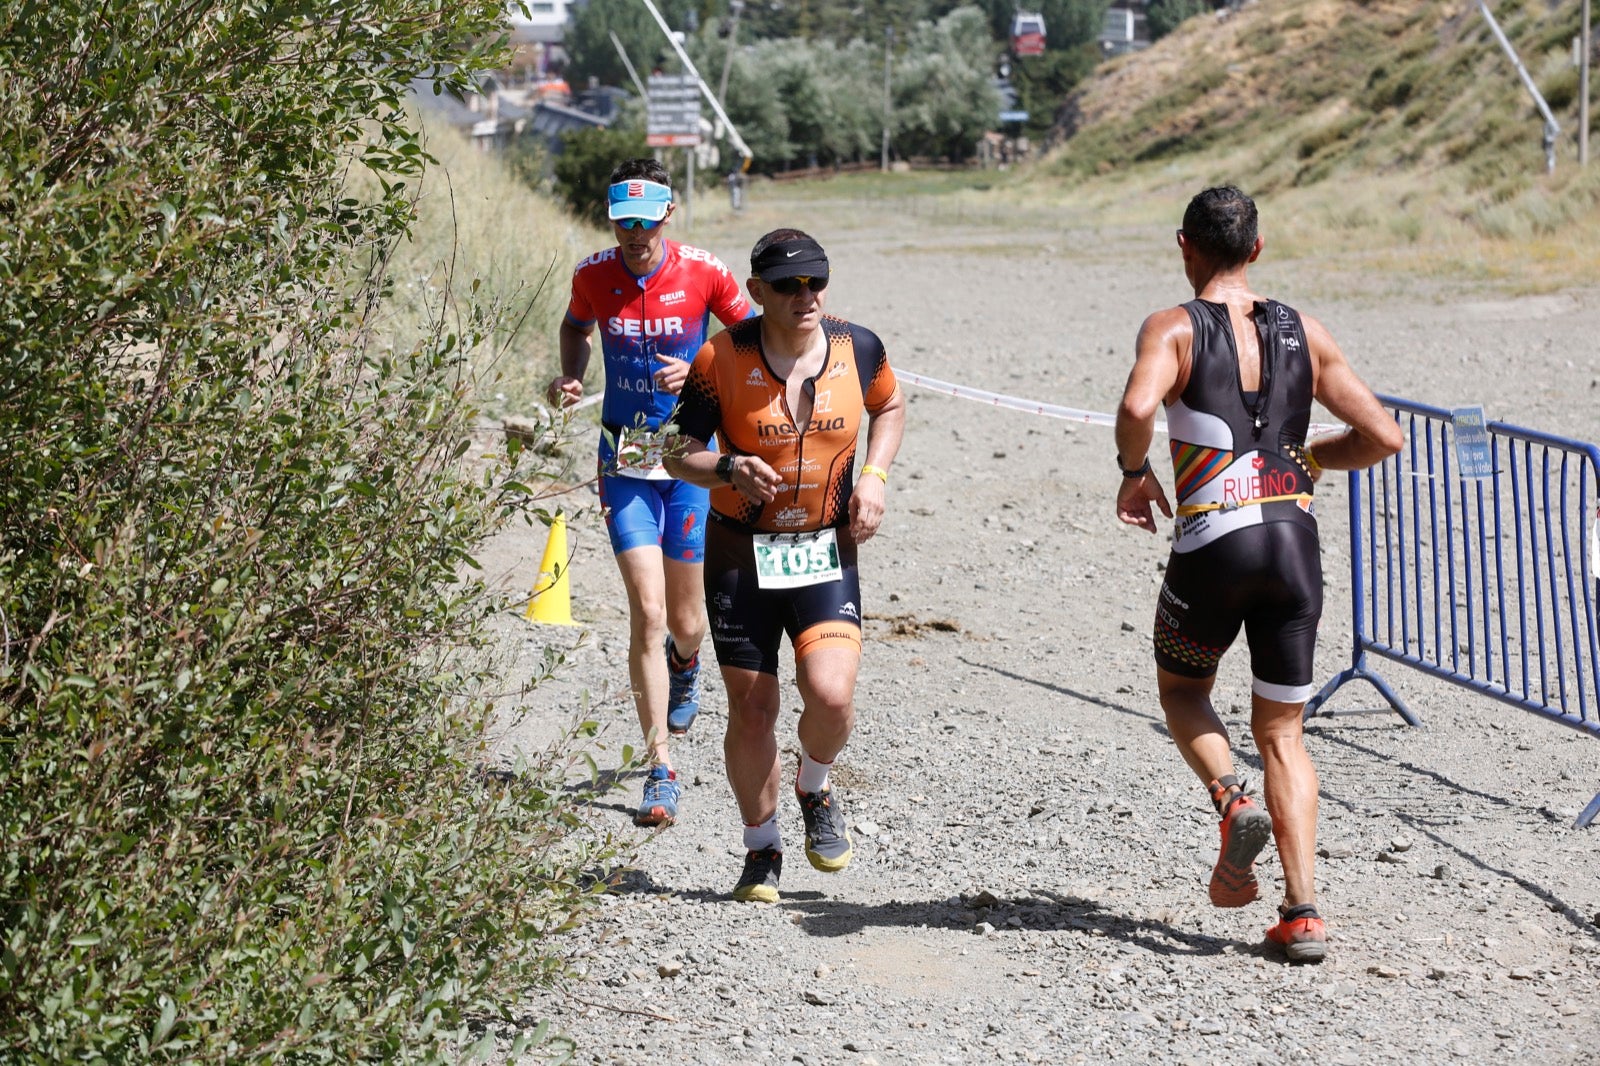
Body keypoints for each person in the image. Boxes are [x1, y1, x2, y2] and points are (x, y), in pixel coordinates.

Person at [1113, 185, 1402, 963]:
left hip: (1216, 543)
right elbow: (1383, 436)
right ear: (1258, 248)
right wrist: (1308, 458)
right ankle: (1303, 913)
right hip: (1293, 547)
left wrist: (1134, 474)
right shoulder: (1305, 330)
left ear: (1184, 246)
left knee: (1183, 691)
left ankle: (1229, 798)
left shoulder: (1173, 327)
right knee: (1284, 733)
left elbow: (1138, 408)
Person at [664, 229, 905, 903]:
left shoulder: (859, 349)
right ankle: (761, 846)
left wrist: (876, 477)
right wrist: (727, 467)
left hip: (824, 548)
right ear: (756, 291)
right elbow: (675, 452)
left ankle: (814, 785)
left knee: (831, 696)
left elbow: (889, 405)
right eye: (789, 286)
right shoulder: (721, 357)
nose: (807, 296)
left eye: (816, 282)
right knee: (753, 709)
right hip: (741, 554)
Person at [548, 158, 754, 829]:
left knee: (688, 623)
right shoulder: (592, 275)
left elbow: (752, 339)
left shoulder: (704, 271)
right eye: (623, 222)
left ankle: (686, 663)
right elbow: (575, 328)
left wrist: (698, 369)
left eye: (646, 221)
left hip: (689, 457)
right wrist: (571, 376)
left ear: (668, 214)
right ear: (611, 220)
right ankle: (660, 769)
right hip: (624, 457)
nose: (635, 234)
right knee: (647, 609)